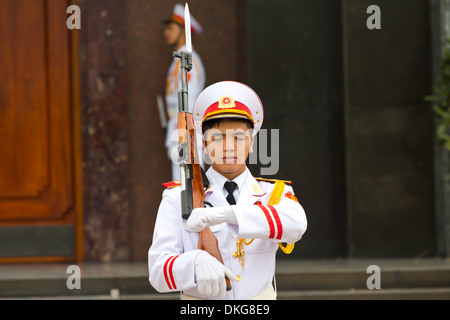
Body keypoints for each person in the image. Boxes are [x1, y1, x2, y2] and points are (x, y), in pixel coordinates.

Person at [148, 81, 307, 300]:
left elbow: (297, 225)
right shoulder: (177, 197)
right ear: (204, 144)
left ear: (251, 143)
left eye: (238, 137)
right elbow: (158, 272)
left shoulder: (272, 193)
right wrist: (193, 262)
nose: (228, 147)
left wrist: (226, 214)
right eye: (217, 138)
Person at [163, 3, 206, 180]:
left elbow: (190, 96)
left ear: (183, 31)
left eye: (171, 28)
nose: (166, 32)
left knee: (187, 181)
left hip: (185, 125)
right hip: (178, 123)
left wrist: (183, 125)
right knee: (180, 180)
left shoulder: (189, 60)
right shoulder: (179, 60)